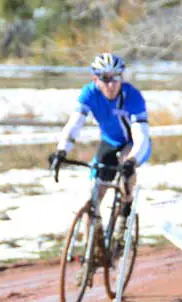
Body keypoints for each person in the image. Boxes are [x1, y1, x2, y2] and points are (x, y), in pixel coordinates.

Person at [49, 53, 151, 237]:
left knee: (125, 169)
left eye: (116, 78)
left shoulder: (133, 96)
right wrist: (62, 150)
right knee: (92, 197)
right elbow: (74, 124)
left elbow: (141, 135)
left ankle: (125, 213)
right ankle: (92, 252)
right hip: (110, 143)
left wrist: (132, 161)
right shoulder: (90, 93)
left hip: (132, 144)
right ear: (95, 78)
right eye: (106, 79)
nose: (112, 84)